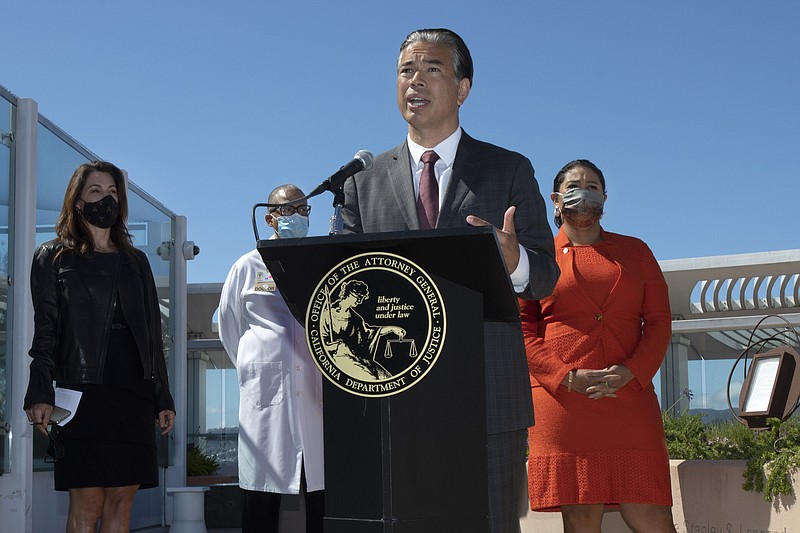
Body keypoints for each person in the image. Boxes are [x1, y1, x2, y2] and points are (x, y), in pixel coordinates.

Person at [342, 28, 559, 533]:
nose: (413, 81)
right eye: (404, 71)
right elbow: (340, 282)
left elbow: (545, 276)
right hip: (393, 404)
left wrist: (514, 262)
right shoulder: (361, 182)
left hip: (487, 400)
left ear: (462, 88)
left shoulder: (507, 169)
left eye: (430, 69)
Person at [520, 159, 677, 533]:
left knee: (651, 514)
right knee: (581, 517)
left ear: (605, 198)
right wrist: (567, 377)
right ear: (556, 200)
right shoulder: (535, 259)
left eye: (593, 186)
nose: (584, 193)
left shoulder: (636, 252)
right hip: (564, 403)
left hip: (630, 398)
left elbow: (659, 322)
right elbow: (522, 330)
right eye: (575, 186)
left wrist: (630, 372)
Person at [23, 161, 176, 533]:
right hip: (82, 392)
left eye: (112, 191)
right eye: (95, 191)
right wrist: (40, 391)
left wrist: (162, 396)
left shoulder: (136, 261)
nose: (105, 198)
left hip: (133, 392)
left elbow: (154, 336)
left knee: (122, 502)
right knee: (87, 504)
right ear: (77, 202)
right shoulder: (54, 256)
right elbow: (45, 330)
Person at [218, 184, 324, 533]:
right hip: (266, 402)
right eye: (288, 210)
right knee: (260, 506)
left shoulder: (320, 261)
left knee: (322, 501)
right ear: (270, 218)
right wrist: (260, 363)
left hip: (315, 398)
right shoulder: (247, 267)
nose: (297, 217)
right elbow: (230, 329)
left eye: (303, 210)